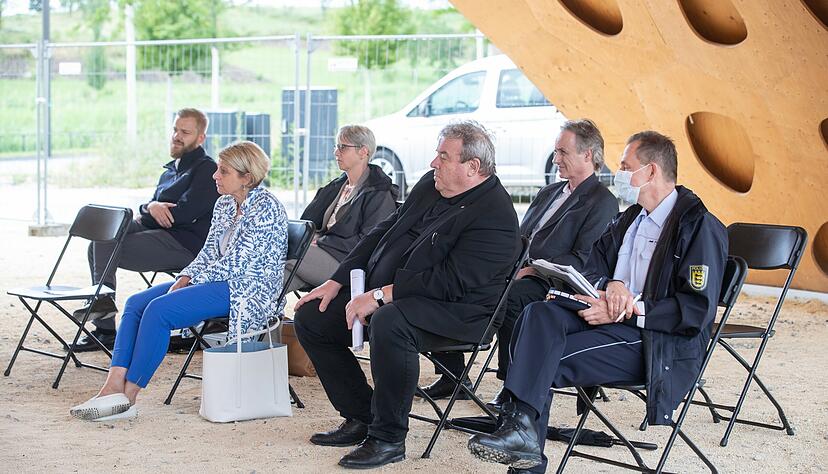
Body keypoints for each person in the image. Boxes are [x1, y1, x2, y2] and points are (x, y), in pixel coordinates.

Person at [467, 131, 728, 472]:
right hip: (607, 321)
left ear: (651, 171)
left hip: (654, 343)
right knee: (538, 313)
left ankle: (522, 440)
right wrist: (611, 287)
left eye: (625, 165)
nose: (618, 173)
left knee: (544, 360)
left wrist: (628, 308)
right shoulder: (631, 218)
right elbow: (591, 267)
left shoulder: (699, 226)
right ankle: (520, 430)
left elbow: (695, 310)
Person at [293, 121, 520, 469]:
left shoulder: (496, 217)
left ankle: (388, 438)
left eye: (443, 157)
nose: (433, 163)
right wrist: (337, 280)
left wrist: (382, 295)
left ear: (473, 168)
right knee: (313, 316)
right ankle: (361, 416)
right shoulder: (434, 185)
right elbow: (384, 229)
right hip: (401, 295)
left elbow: (449, 282)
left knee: (391, 322)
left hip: (461, 312)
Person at [69, 141, 288, 421]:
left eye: (223, 171)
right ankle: (111, 387)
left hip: (247, 290)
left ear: (246, 178)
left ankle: (128, 398)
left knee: (160, 311)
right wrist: (186, 275)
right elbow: (208, 251)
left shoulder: (266, 208)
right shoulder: (224, 203)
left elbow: (239, 263)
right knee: (136, 303)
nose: (215, 175)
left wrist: (194, 279)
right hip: (217, 281)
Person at [421, 119, 618, 406]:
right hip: (514, 271)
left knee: (510, 299)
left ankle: (515, 386)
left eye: (563, 152)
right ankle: (452, 372)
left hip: (551, 283)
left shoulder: (602, 202)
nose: (556, 159)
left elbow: (584, 258)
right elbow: (520, 236)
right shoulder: (549, 192)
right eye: (556, 151)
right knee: (451, 281)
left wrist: (532, 269)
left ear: (587, 155)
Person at [70, 108, 220, 353]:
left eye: (185, 132)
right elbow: (152, 210)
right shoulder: (170, 170)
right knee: (103, 235)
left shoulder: (206, 169)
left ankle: (104, 323)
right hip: (160, 235)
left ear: (200, 137)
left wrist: (149, 211)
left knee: (106, 242)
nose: (176, 136)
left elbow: (178, 216)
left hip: (184, 245)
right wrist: (149, 207)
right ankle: (104, 310)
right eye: (175, 129)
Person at [287, 124, 399, 293]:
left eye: (343, 147)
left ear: (363, 152)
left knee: (282, 255)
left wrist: (322, 241)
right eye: (336, 146)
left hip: (347, 263)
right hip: (321, 253)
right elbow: (313, 222)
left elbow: (370, 242)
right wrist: (315, 238)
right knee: (284, 274)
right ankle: (256, 314)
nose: (336, 152)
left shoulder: (379, 192)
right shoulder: (337, 186)